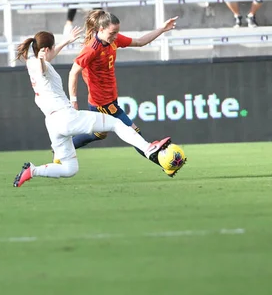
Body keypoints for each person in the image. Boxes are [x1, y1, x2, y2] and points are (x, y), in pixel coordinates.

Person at [13, 28, 172, 188]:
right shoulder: (40, 64)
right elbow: (43, 68)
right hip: (66, 116)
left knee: (69, 169)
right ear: (46, 50)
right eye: (53, 47)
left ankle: (32, 171)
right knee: (116, 123)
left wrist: (65, 41)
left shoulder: (31, 62)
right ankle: (149, 148)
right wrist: (42, 60)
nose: (54, 51)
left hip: (53, 124)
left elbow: (47, 59)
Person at [67, 10, 181, 176]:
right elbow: (73, 72)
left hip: (109, 100)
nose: (115, 36)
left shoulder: (113, 40)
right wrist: (73, 100)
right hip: (103, 103)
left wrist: (161, 29)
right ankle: (165, 164)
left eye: (116, 32)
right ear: (100, 29)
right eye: (112, 33)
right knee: (135, 133)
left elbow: (141, 42)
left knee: (98, 134)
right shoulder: (92, 49)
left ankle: (64, 147)